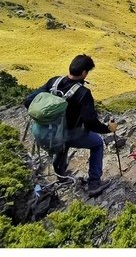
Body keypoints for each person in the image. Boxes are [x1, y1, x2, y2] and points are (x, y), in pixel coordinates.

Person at [24, 53, 117, 197]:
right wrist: (107, 129)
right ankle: (94, 183)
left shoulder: (53, 82)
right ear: (84, 73)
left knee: (63, 142)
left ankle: (61, 175)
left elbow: (28, 100)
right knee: (97, 143)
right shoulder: (83, 93)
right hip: (70, 133)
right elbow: (91, 123)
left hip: (46, 131)